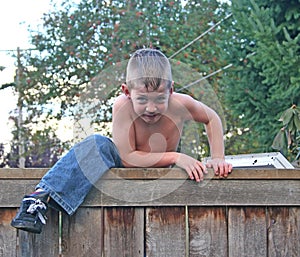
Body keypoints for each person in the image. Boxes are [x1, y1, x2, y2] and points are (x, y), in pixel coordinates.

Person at [11, 48, 232, 234]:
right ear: (127, 92)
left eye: (159, 100)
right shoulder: (122, 106)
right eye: (142, 100)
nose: (151, 108)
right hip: (124, 161)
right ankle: (40, 198)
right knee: (98, 143)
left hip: (161, 166)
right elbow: (128, 158)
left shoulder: (181, 104)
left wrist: (218, 157)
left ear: (170, 91)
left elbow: (211, 118)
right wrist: (177, 156)